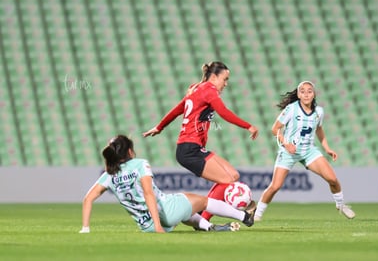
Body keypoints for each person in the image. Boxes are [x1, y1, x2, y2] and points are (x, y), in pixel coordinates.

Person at [142, 61, 259, 221]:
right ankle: (204, 218)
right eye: (224, 79)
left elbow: (178, 108)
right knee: (227, 180)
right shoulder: (209, 90)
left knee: (233, 175)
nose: (226, 84)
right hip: (189, 149)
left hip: (192, 147)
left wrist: (160, 127)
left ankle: (202, 216)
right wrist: (248, 126)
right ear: (214, 76)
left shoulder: (196, 88)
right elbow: (223, 112)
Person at [79, 135, 256, 234]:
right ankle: (244, 217)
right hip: (163, 215)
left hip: (145, 226)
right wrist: (158, 226)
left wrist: (85, 228)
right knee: (202, 201)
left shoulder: (109, 175)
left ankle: (208, 227)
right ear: (130, 151)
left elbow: (87, 200)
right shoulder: (140, 164)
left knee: (184, 205)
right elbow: (149, 194)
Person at [254, 81, 355, 220]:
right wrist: (286, 144)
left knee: (332, 179)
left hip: (308, 151)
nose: (306, 94)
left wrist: (327, 148)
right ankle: (257, 214)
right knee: (275, 186)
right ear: (298, 94)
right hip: (289, 152)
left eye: (309, 91)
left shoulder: (319, 111)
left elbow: (319, 129)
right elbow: (274, 129)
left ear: (314, 94)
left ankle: (341, 205)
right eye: (302, 91)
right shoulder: (291, 109)